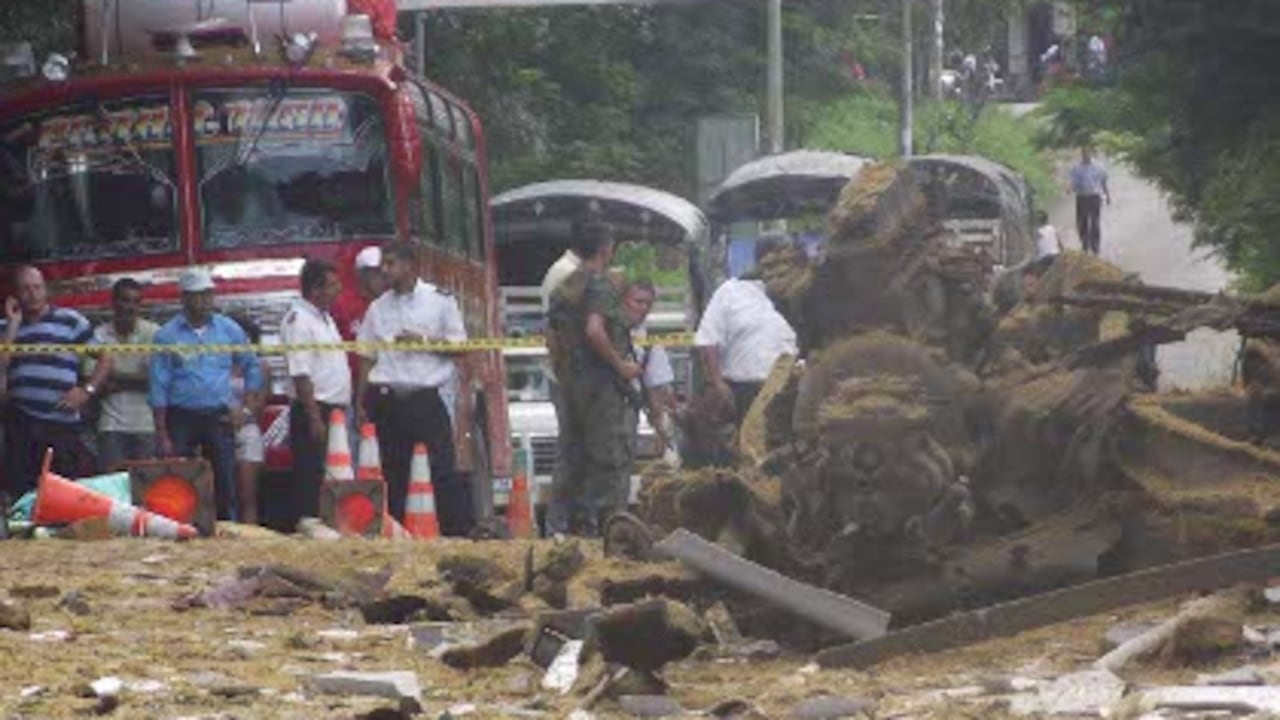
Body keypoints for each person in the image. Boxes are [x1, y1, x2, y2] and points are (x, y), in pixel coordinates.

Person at [355, 241, 471, 534]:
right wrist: (359, 401)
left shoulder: (440, 301)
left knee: (441, 468)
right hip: (387, 400)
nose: (385, 270)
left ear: (410, 265)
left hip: (425, 400)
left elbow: (461, 348)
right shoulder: (377, 308)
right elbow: (366, 357)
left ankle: (451, 533)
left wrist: (424, 342)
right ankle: (398, 532)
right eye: (384, 264)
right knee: (394, 471)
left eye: (391, 264)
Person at [545, 223, 641, 536]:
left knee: (572, 456)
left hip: (571, 383)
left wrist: (563, 373)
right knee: (608, 460)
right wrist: (621, 366)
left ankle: (563, 527)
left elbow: (552, 336)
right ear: (605, 250)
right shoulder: (599, 285)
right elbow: (595, 330)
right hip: (601, 386)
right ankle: (607, 531)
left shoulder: (565, 285)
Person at [150, 268, 263, 521]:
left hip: (217, 415)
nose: (203, 301)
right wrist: (161, 431)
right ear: (185, 298)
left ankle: (226, 526)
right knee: (179, 478)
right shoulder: (166, 335)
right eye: (197, 295)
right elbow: (158, 384)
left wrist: (247, 409)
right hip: (181, 417)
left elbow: (252, 364)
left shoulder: (228, 330)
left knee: (224, 479)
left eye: (207, 294)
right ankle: (182, 526)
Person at [0, 266, 112, 497]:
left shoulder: (70, 320)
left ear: (45, 290)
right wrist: (12, 326)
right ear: (15, 294)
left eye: (37, 287)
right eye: (25, 289)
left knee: (62, 490)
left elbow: (106, 358)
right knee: (22, 490)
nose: (32, 294)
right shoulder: (6, 328)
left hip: (61, 423)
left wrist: (86, 391)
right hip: (22, 421)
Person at [695, 234, 799, 429]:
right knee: (748, 450)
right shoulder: (731, 292)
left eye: (786, 261)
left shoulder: (800, 292)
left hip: (790, 390)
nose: (779, 268)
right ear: (760, 261)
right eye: (773, 262)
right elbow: (708, 340)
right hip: (745, 393)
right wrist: (718, 383)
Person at [280, 259, 351, 528]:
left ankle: (329, 520)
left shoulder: (324, 318)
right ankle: (308, 522)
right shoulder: (299, 321)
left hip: (334, 409)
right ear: (315, 290)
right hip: (314, 408)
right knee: (310, 470)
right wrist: (313, 417)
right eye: (332, 285)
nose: (339, 290)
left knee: (331, 469)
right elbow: (301, 373)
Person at [88, 278, 159, 472]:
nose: (131, 307)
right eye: (126, 300)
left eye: (136, 301)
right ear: (114, 303)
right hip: (111, 425)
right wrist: (138, 378)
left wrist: (112, 374)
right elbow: (91, 384)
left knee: (144, 494)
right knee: (112, 491)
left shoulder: (153, 333)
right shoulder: (100, 334)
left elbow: (157, 380)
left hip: (146, 425)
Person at [621, 278, 676, 454]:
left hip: (628, 409)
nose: (643, 307)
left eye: (648, 303)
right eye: (638, 301)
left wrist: (660, 430)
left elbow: (656, 388)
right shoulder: (603, 331)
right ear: (623, 301)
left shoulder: (650, 340)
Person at [229, 315, 266, 525]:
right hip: (220, 427)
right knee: (223, 491)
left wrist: (243, 414)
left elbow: (260, 401)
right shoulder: (217, 363)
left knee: (247, 494)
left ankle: (250, 535)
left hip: (247, 428)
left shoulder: (260, 366)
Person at [1069, 146, 1111, 256]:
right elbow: (1073, 183)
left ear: (1091, 153)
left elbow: (1103, 182)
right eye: (1084, 153)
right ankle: (1085, 245)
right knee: (1082, 222)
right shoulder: (1076, 168)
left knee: (1095, 223)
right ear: (1081, 154)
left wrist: (1107, 195)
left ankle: (1095, 247)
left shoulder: (1099, 167)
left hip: (1094, 197)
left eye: (1087, 153)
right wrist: (1070, 189)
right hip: (1082, 197)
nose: (1085, 155)